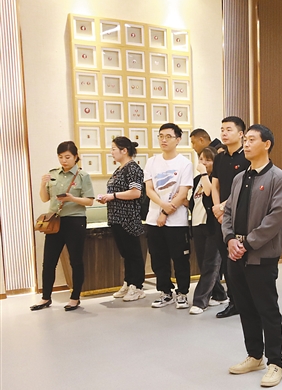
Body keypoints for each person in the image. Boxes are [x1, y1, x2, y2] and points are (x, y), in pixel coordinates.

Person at [222, 124, 282, 387]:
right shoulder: (240, 178)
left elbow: (275, 218)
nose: (247, 144)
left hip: (260, 255)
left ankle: (275, 363)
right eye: (246, 140)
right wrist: (230, 239)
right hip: (236, 254)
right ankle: (254, 356)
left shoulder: (279, 178)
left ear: (267, 144)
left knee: (267, 309)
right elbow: (228, 213)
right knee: (245, 307)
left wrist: (247, 243)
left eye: (252, 140)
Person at [31, 141, 95, 311]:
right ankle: (45, 297)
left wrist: (71, 198)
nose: (64, 160)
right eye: (60, 157)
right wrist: (42, 184)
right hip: (55, 221)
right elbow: (44, 198)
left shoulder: (82, 176)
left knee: (76, 260)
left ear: (75, 157)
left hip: (75, 221)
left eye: (67, 157)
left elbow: (89, 201)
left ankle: (75, 298)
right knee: (48, 262)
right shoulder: (53, 174)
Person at [144, 123, 194, 309]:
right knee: (158, 258)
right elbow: (149, 189)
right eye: (160, 136)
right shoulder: (152, 161)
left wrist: (165, 212)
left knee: (180, 258)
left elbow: (183, 193)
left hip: (177, 221)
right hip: (153, 219)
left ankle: (182, 293)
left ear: (178, 139)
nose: (163, 140)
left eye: (168, 136)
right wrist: (162, 205)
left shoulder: (185, 163)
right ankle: (165, 292)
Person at [98, 136, 145, 302]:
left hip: (128, 218)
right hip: (116, 217)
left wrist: (113, 196)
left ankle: (137, 286)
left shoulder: (132, 168)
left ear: (124, 150)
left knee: (133, 253)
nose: (111, 152)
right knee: (126, 253)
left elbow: (136, 192)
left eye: (113, 149)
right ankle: (129, 281)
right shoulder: (119, 169)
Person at [210, 116, 247, 319]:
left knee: (240, 260)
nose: (224, 133)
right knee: (226, 261)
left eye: (229, 129)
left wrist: (224, 207)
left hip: (239, 215)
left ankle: (246, 301)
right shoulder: (220, 158)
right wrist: (217, 208)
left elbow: (243, 189)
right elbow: (215, 185)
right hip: (220, 216)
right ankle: (234, 302)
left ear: (241, 134)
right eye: (222, 129)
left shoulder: (247, 157)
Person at [188, 146, 228, 314]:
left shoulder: (214, 179)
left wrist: (204, 174)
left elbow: (209, 193)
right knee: (203, 263)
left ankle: (200, 301)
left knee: (211, 264)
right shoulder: (197, 180)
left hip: (212, 225)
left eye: (208, 160)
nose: (203, 162)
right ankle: (220, 294)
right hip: (197, 224)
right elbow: (193, 201)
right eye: (201, 159)